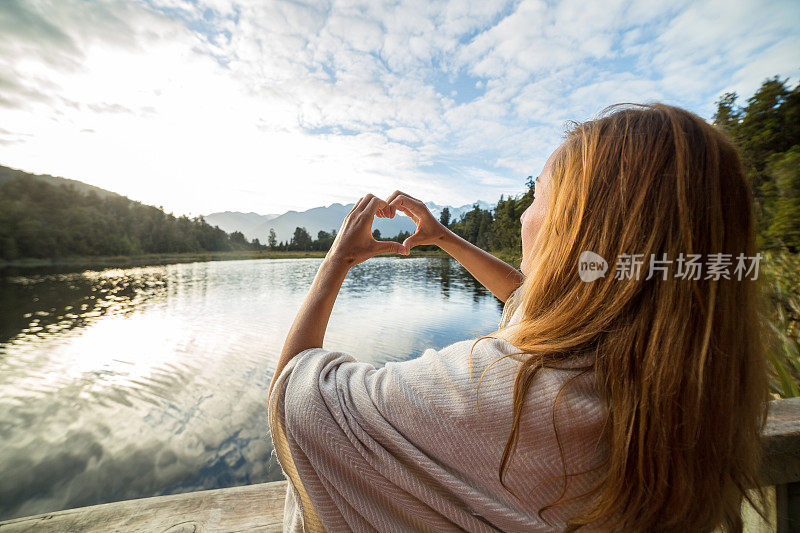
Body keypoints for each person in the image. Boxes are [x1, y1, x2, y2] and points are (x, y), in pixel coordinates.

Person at [267, 103, 770, 532]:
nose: (527, 213)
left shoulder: (502, 391)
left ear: (575, 226)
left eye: (535, 198)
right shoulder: (690, 383)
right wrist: (442, 236)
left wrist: (336, 263)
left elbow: (295, 403)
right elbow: (531, 299)